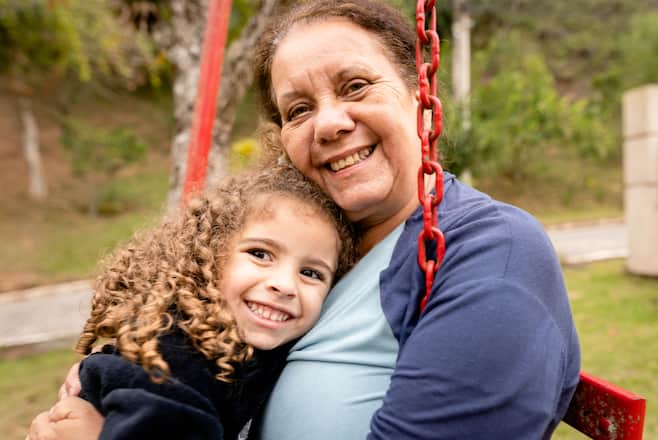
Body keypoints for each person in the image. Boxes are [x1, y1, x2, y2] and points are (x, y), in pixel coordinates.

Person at [29, 0, 581, 439]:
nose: (330, 123)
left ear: (421, 96)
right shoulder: (305, 249)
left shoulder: (489, 250)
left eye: (355, 86)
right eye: (298, 110)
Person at [31, 164, 356, 440]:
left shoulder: (240, 343)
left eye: (311, 273)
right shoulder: (177, 362)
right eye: (260, 254)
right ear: (209, 258)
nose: (285, 285)